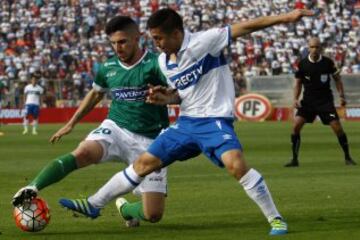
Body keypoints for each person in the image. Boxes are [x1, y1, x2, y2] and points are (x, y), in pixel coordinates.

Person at [60, 8, 314, 235]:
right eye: (154, 38)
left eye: (159, 38)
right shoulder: (164, 61)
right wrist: (165, 97)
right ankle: (94, 205)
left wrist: (287, 17)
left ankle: (276, 219)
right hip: (187, 123)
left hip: (214, 121)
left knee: (236, 165)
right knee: (144, 163)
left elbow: (246, 26)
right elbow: (181, 95)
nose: (156, 44)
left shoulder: (206, 41)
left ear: (176, 34)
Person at [12, 16, 174, 227]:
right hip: (116, 128)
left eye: (123, 41)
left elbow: (177, 90)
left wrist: (168, 96)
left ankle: (125, 208)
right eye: (113, 43)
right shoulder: (108, 67)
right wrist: (71, 123)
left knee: (153, 214)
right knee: (84, 152)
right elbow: (96, 94)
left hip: (151, 139)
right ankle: (32, 188)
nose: (118, 48)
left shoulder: (156, 64)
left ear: (138, 38)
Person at [284, 37, 356, 167]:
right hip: (308, 102)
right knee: (296, 126)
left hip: (325, 102)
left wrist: (341, 96)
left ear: (320, 48)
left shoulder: (328, 62)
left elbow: (337, 79)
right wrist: (295, 99)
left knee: (337, 128)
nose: (314, 49)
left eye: (317, 47)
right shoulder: (302, 64)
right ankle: (294, 159)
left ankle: (348, 157)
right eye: (312, 47)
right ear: (308, 48)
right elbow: (298, 83)